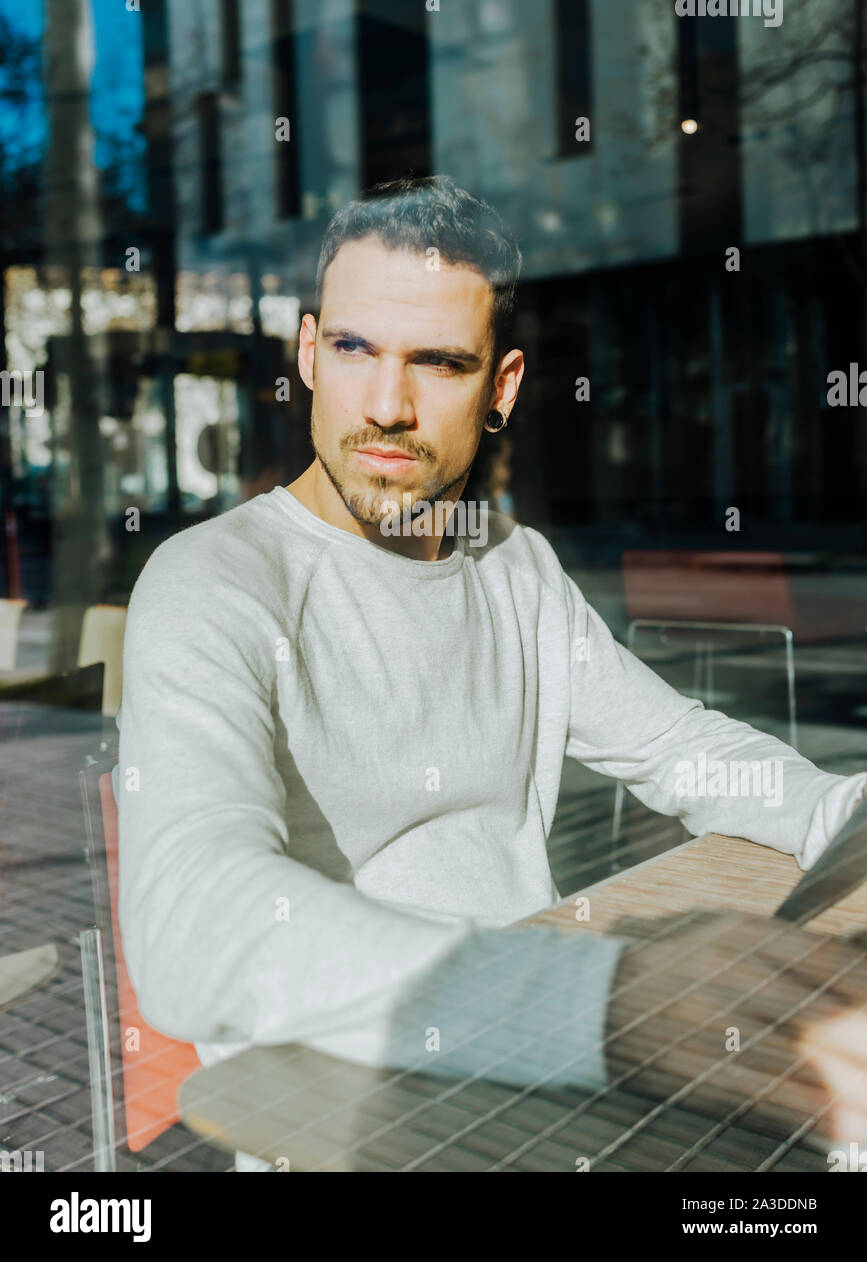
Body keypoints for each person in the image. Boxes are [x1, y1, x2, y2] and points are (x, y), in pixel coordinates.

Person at [117, 176, 867, 1171]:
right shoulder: (213, 578)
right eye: (353, 350)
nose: (386, 405)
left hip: (550, 1068)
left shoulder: (513, 564)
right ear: (307, 354)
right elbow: (191, 922)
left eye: (438, 362)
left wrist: (840, 814)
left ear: (501, 388)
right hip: (350, 1110)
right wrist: (616, 1001)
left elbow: (683, 749)